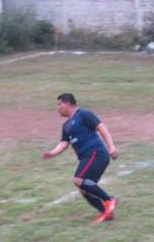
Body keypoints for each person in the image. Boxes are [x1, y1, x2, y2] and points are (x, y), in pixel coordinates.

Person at [42, 92, 119, 223]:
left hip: (96, 153)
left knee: (78, 179)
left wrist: (111, 146)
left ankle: (109, 200)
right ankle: (106, 213)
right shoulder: (65, 126)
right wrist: (53, 153)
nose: (57, 108)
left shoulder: (84, 114)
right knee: (83, 190)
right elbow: (64, 142)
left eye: (59, 104)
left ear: (67, 103)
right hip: (87, 157)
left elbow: (101, 128)